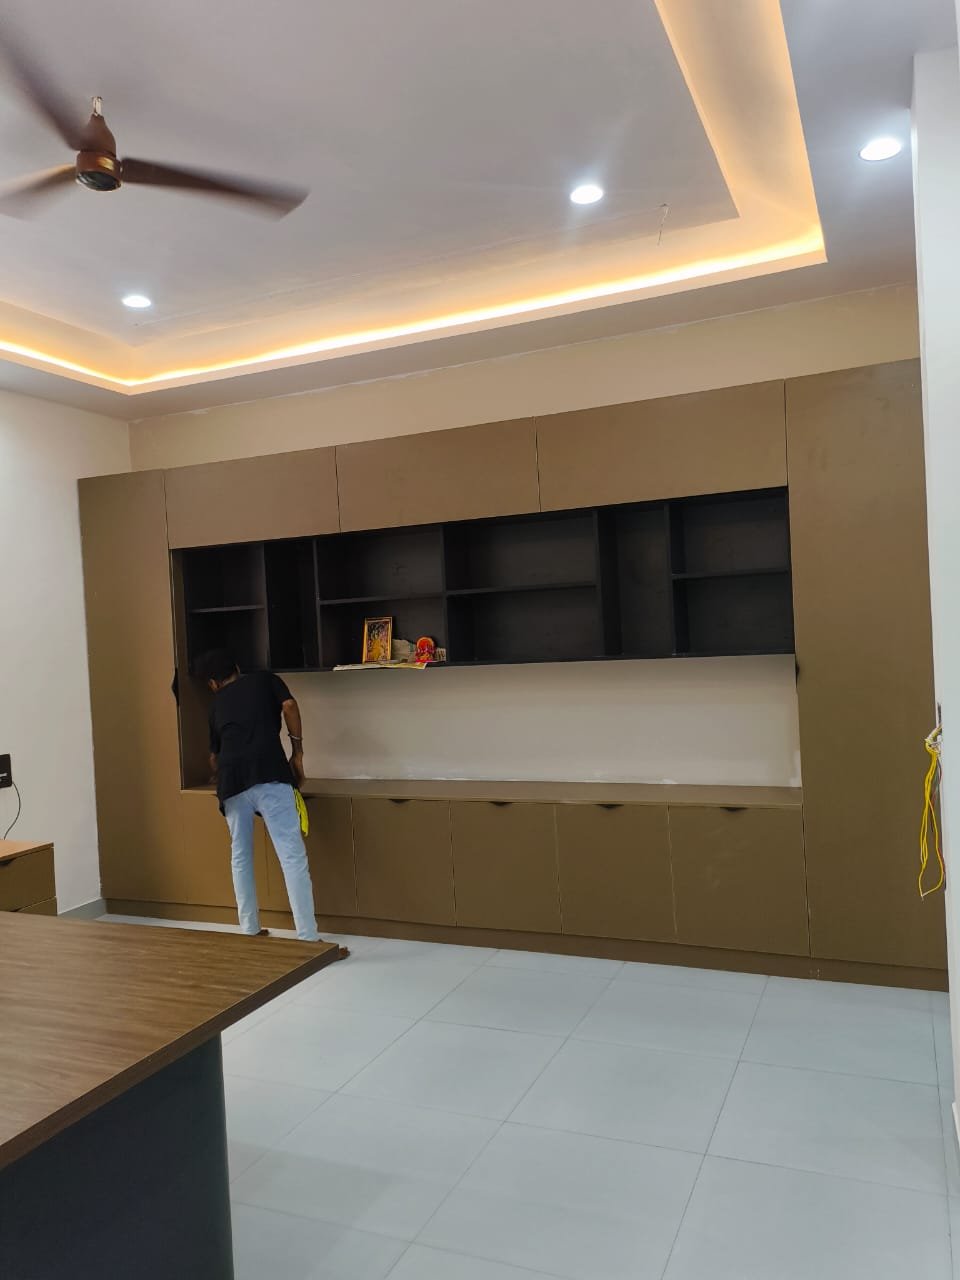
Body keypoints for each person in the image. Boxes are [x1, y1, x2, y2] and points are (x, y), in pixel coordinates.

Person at [198, 649, 346, 956]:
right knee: (291, 855)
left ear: (213, 684)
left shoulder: (216, 705)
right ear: (237, 667)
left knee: (240, 854)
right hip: (269, 773)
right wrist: (298, 753)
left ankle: (250, 929)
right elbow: (289, 705)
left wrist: (225, 773)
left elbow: (214, 756)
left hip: (231, 781)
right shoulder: (266, 680)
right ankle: (307, 938)